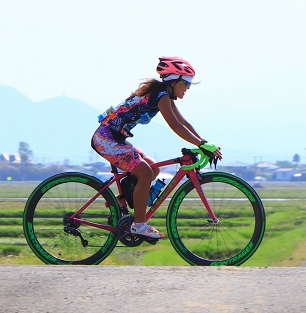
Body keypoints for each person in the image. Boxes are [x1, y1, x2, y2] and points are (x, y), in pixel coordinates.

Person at [92, 56, 221, 239]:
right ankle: (139, 225)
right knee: (144, 173)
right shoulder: (161, 95)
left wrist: (204, 141)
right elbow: (175, 126)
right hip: (106, 138)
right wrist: (200, 144)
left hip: (116, 138)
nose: (188, 88)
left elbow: (183, 122)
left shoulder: (165, 95)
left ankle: (122, 201)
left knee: (153, 168)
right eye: (186, 83)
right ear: (173, 81)